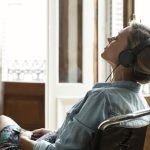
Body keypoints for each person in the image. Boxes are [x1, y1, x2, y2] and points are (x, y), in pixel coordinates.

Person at [1, 22, 150, 150]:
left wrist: (23, 140)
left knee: (3, 120)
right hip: (55, 141)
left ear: (127, 57)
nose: (109, 38)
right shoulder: (141, 104)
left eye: (117, 38)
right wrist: (56, 133)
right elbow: (88, 141)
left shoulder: (102, 98)